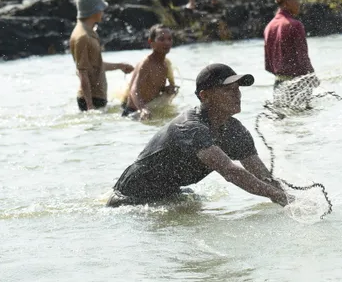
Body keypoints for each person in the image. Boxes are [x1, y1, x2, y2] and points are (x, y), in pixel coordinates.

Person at [106, 63, 288, 208]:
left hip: (168, 194)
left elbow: (263, 177)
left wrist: (291, 200)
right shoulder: (190, 127)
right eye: (228, 90)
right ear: (205, 96)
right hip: (129, 199)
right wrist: (278, 195)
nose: (237, 95)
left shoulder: (236, 131)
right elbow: (231, 172)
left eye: (237, 89)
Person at [69, 0, 133, 111]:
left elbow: (95, 65)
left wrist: (119, 66)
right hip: (91, 99)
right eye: (101, 9)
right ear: (94, 10)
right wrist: (89, 106)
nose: (103, 12)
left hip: (97, 97)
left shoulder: (89, 32)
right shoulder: (82, 36)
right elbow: (83, 73)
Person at [264, 0, 315, 89]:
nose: (299, 3)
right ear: (287, 2)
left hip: (278, 84)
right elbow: (303, 58)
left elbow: (268, 65)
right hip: (298, 84)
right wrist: (312, 77)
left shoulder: (269, 27)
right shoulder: (295, 25)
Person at [121, 24, 178, 120]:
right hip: (133, 112)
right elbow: (134, 89)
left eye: (169, 39)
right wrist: (143, 109)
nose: (167, 43)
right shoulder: (146, 63)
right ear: (151, 43)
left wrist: (168, 89)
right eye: (161, 39)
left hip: (150, 109)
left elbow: (157, 87)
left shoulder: (166, 64)